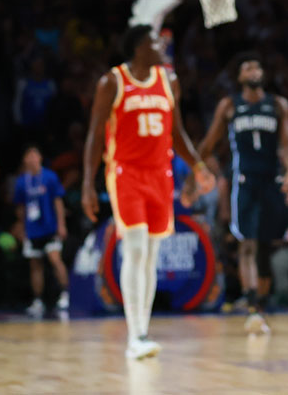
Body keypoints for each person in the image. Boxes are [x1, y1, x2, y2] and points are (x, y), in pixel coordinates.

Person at [81, 25, 213, 360]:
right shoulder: (112, 82)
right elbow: (95, 135)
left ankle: (143, 330)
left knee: (151, 256)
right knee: (136, 249)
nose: (162, 45)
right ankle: (135, 335)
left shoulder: (169, 81)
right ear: (140, 46)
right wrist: (87, 184)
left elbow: (176, 132)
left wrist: (198, 167)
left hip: (160, 175)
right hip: (126, 173)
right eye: (155, 41)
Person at [198, 53, 288, 334]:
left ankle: (260, 305)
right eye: (247, 68)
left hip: (271, 180)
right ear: (239, 76)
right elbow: (210, 142)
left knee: (266, 245)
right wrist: (198, 168)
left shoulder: (278, 105)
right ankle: (253, 303)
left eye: (257, 66)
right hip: (243, 181)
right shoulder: (230, 105)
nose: (253, 71)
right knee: (247, 243)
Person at [12, 145, 70, 317]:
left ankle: (65, 294)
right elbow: (20, 207)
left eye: (34, 155)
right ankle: (38, 300)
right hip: (32, 230)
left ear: (40, 158)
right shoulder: (21, 182)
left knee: (55, 259)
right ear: (24, 160)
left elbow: (58, 202)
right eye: (28, 156)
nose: (32, 159)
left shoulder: (50, 177)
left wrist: (61, 224)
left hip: (50, 228)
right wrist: (22, 227)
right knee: (35, 265)